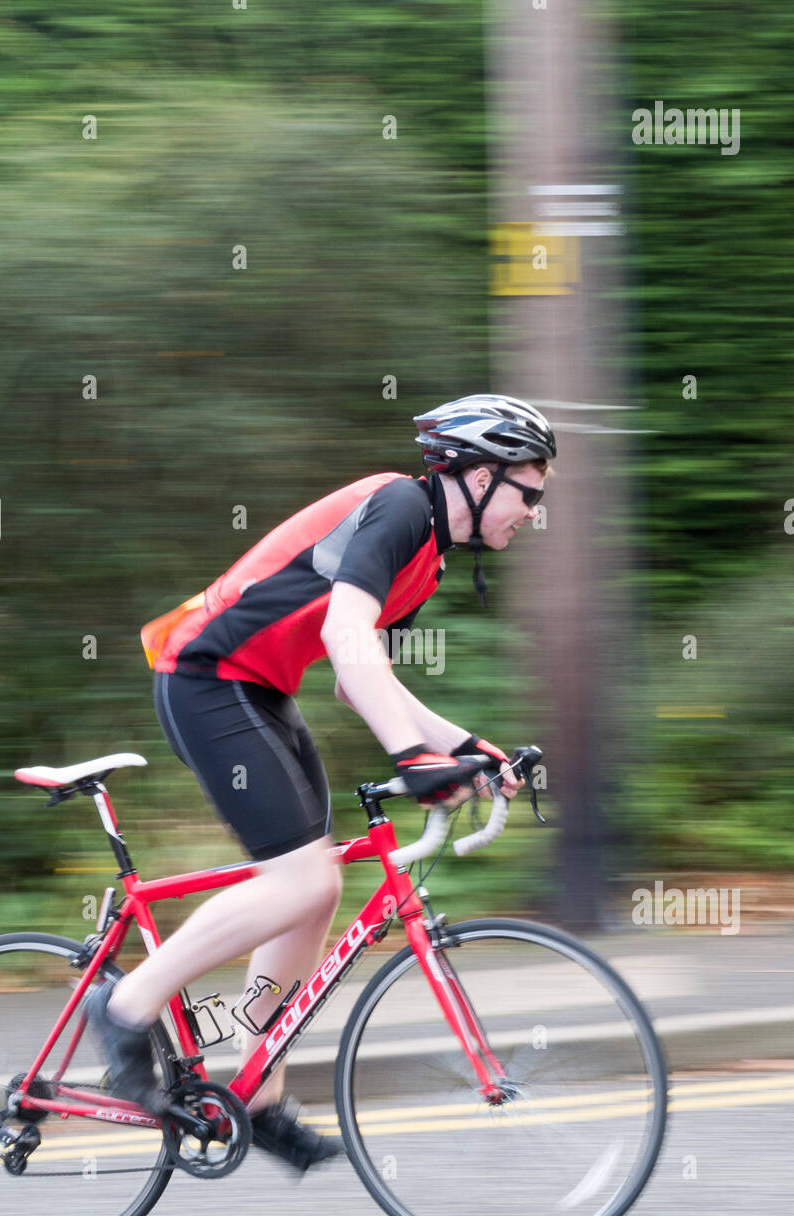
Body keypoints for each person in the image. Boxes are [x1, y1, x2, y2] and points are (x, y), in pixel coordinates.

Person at [87, 394, 556, 1172]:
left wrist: (468, 747)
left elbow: (361, 682)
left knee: (319, 889)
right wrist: (413, 759)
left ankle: (254, 1089)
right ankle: (126, 1008)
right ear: (477, 475)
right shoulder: (402, 506)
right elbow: (344, 639)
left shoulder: (427, 554)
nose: (534, 513)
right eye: (529, 493)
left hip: (260, 691)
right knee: (297, 883)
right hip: (206, 676)